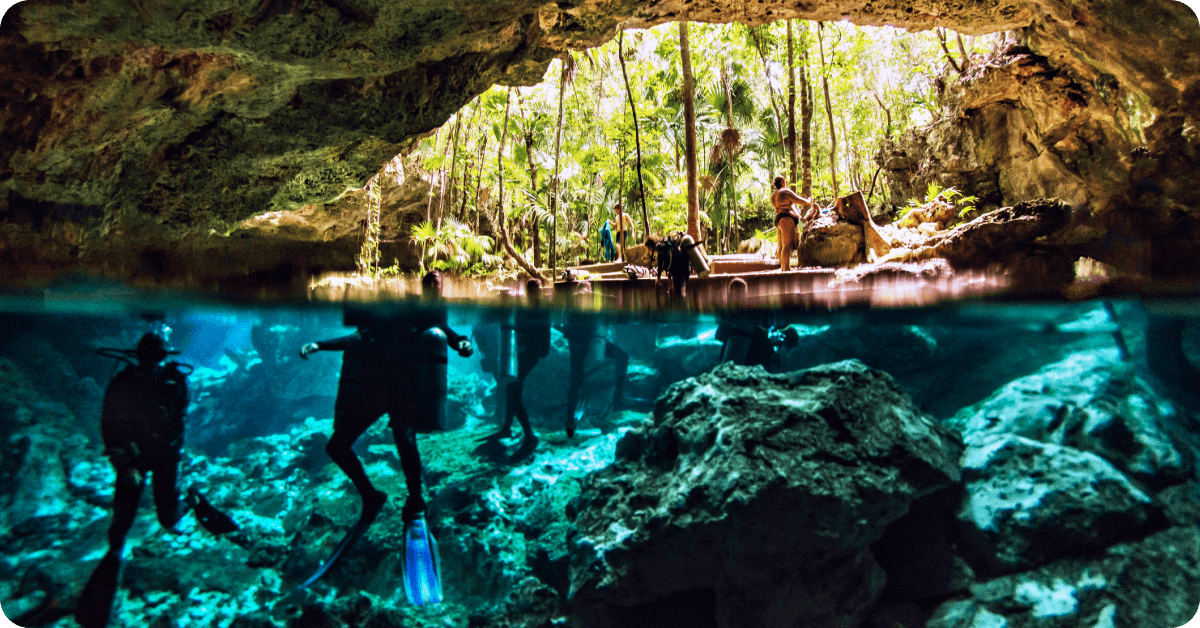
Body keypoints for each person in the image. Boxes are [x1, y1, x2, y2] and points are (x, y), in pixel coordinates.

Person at [297, 271, 472, 597]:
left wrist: (462, 343)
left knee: (406, 442)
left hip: (404, 393)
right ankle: (371, 495)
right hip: (374, 391)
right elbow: (356, 339)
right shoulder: (387, 310)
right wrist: (320, 344)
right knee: (336, 446)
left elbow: (447, 333)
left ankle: (416, 502)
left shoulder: (423, 312)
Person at [74, 333, 236, 628]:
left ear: (163, 356)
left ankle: (191, 501)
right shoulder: (123, 382)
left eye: (156, 357)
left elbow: (177, 422)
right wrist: (123, 461)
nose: (152, 363)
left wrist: (160, 457)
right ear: (139, 356)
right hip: (132, 459)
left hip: (163, 457)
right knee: (121, 523)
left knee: (168, 519)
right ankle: (107, 577)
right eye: (148, 357)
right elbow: (108, 422)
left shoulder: (174, 381)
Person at [475, 278, 550, 461]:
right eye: (530, 290)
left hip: (528, 357)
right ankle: (507, 428)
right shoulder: (524, 308)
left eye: (534, 291)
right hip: (519, 356)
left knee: (513, 393)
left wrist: (525, 347)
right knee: (510, 390)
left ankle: (530, 436)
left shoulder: (541, 311)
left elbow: (543, 348)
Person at [771, 176, 809, 271]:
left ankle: (783, 268)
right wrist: (809, 200)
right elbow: (802, 201)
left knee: (781, 247)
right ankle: (786, 269)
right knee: (786, 246)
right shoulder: (785, 192)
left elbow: (777, 209)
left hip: (779, 220)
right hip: (786, 219)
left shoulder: (773, 195)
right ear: (783, 182)